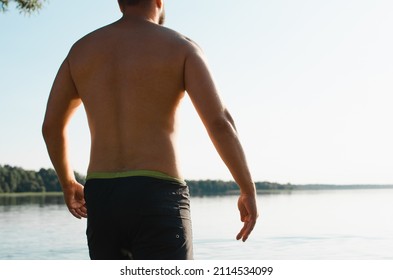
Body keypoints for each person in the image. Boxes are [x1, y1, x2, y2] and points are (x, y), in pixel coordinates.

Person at [42, 0, 258, 260]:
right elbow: (219, 123)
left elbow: (51, 127)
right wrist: (247, 188)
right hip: (158, 193)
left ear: (120, 3)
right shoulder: (182, 47)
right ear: (159, 1)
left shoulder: (80, 51)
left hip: (102, 197)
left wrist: (67, 183)